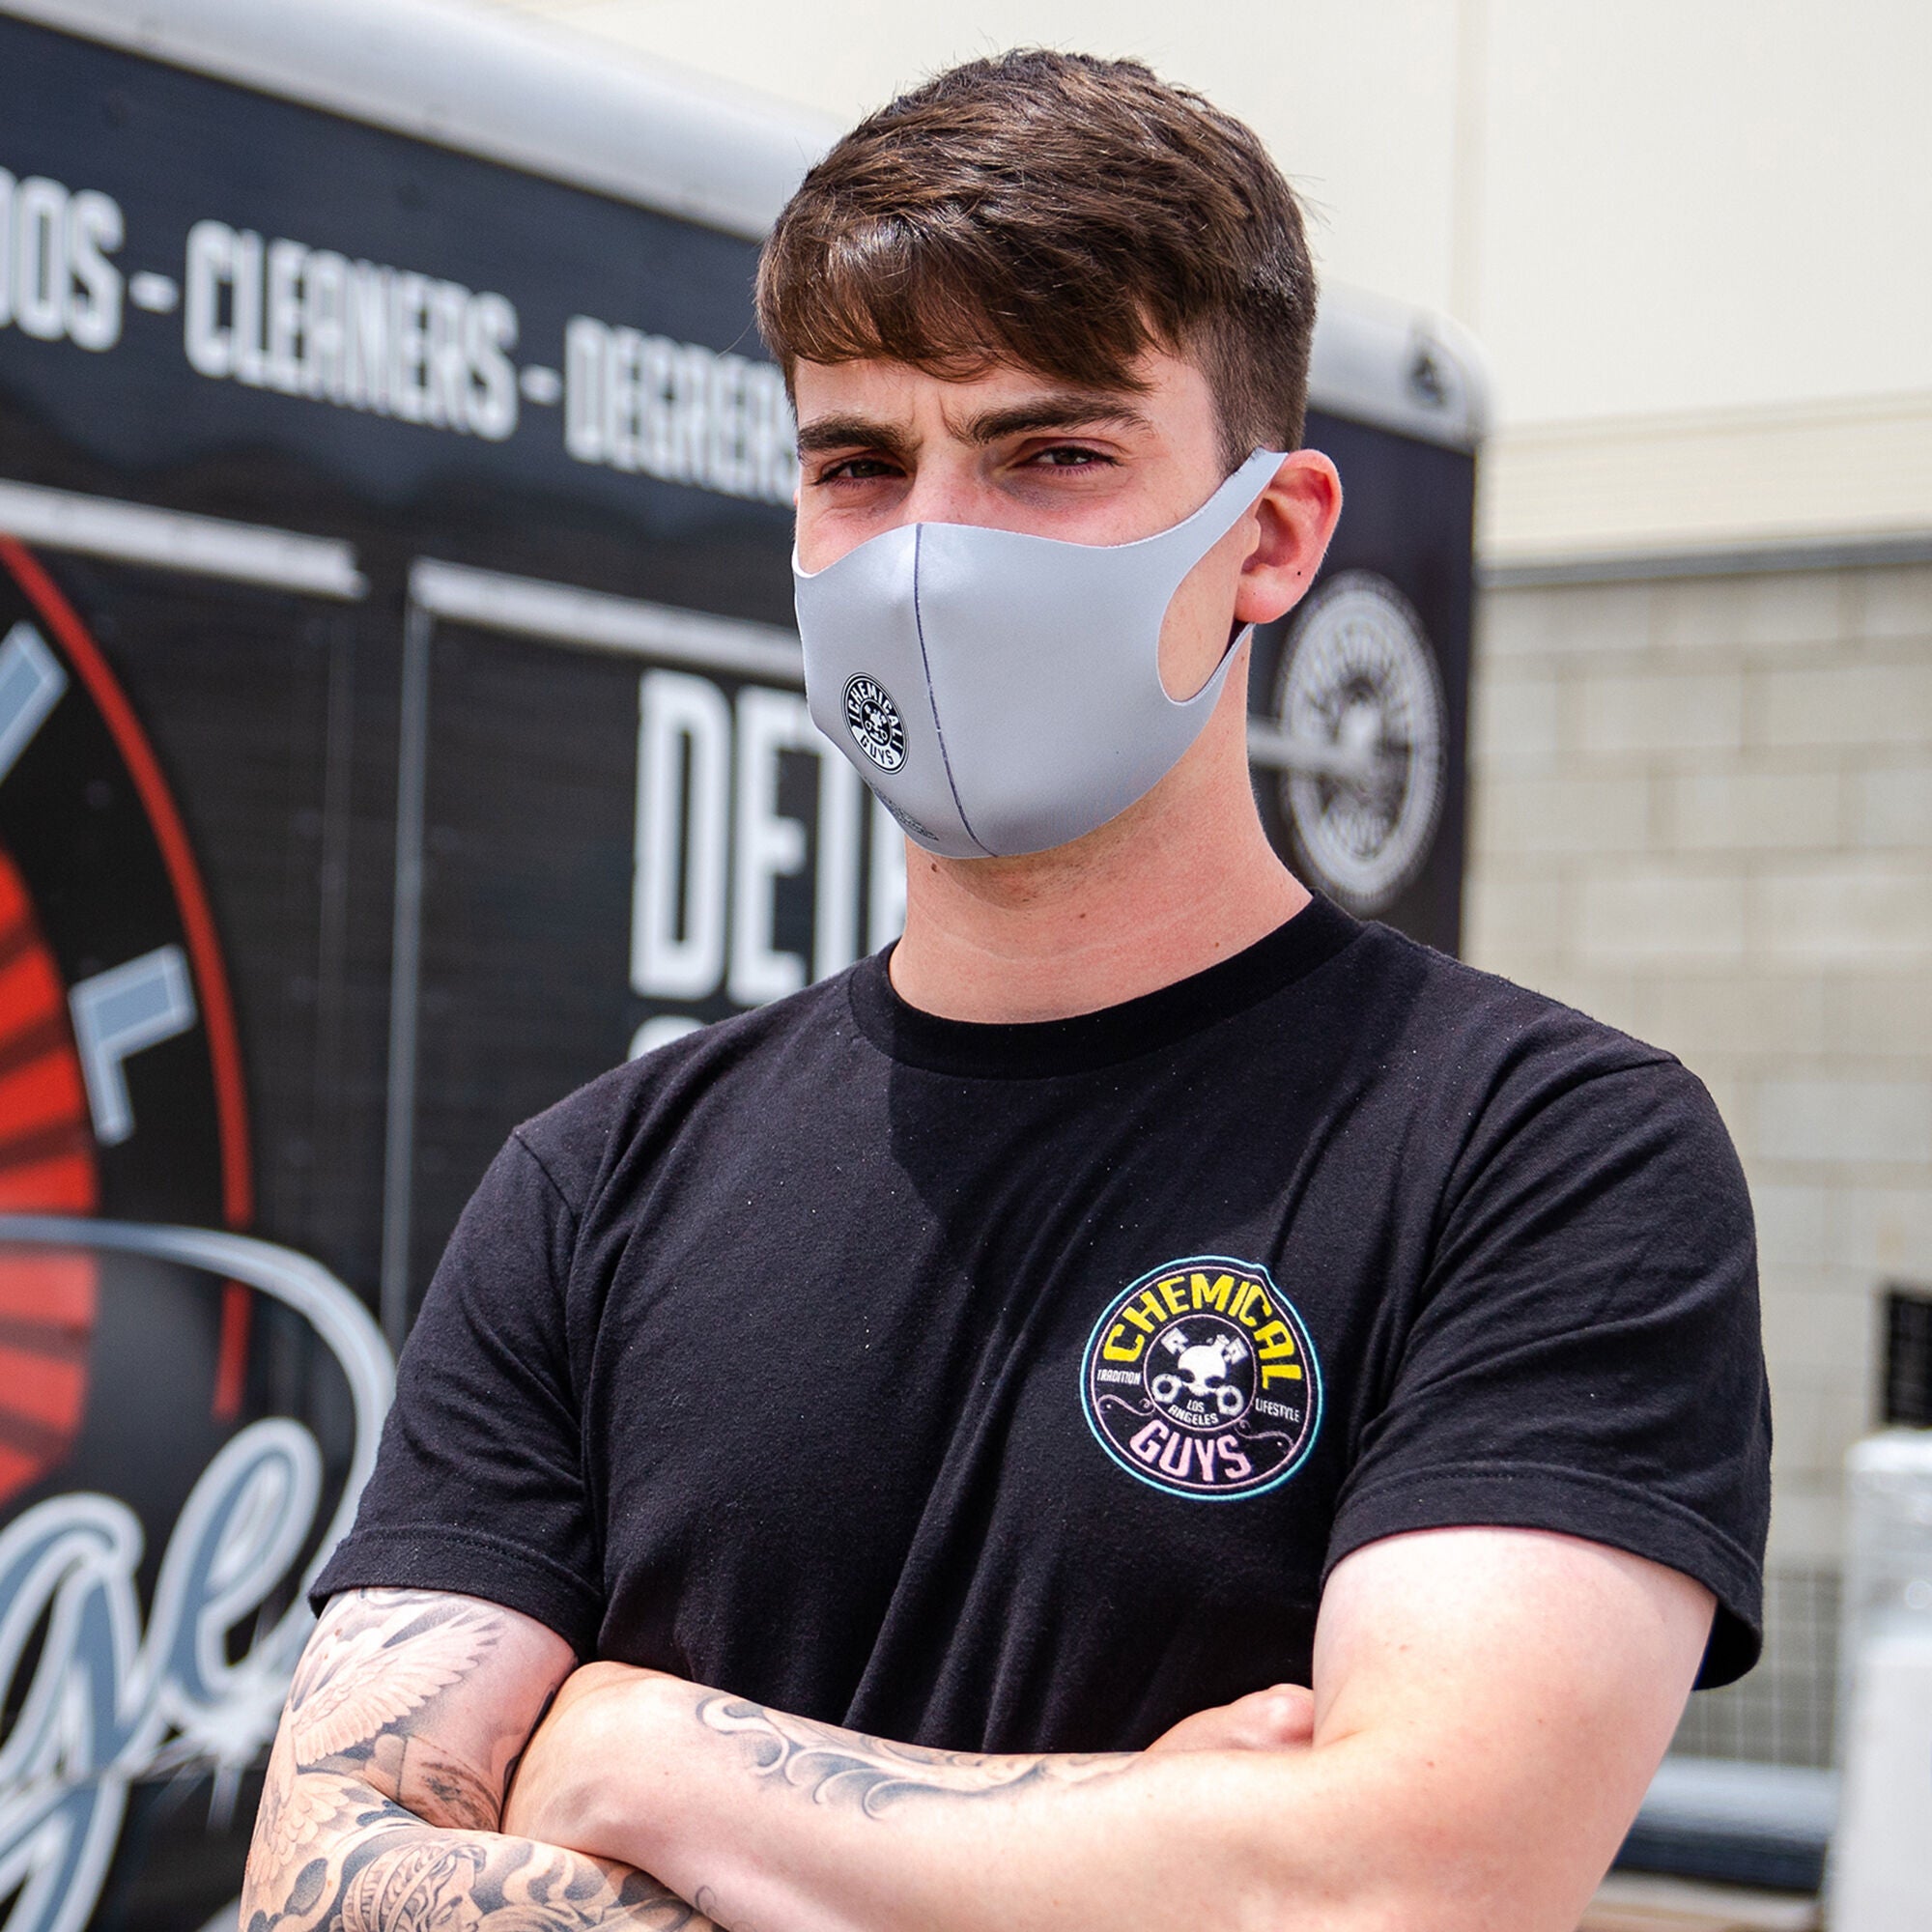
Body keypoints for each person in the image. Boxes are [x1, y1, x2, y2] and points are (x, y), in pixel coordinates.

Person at [243, 49, 1770, 1932]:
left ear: (1273, 537)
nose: (928, 556)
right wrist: (1149, 1838)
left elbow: (1396, 1890)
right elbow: (322, 1885)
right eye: (857, 465)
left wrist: (646, 1757)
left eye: (1052, 455)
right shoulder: (595, 1184)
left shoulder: (1538, 1155)